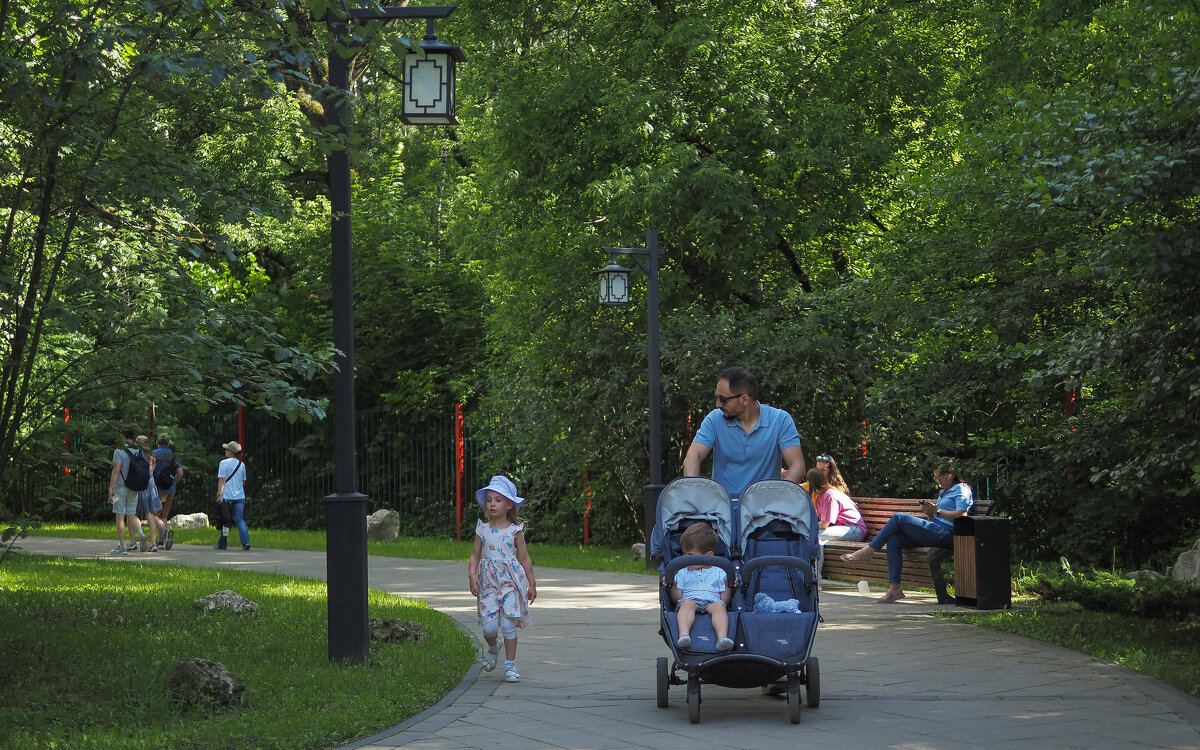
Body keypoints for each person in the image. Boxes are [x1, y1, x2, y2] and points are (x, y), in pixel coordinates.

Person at [839, 459, 974, 603]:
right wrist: (931, 513)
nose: (939, 480)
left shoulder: (961, 488)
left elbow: (961, 516)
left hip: (948, 534)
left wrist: (938, 511)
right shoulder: (944, 492)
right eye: (936, 478)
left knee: (899, 518)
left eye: (941, 476)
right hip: (936, 529)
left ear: (952, 473)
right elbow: (937, 516)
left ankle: (867, 552)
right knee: (895, 539)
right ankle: (894, 588)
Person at [683, 366, 806, 498]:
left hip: (765, 512)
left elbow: (797, 466)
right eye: (717, 397)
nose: (718, 404)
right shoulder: (714, 419)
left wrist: (777, 499)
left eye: (723, 399)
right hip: (723, 509)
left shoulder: (780, 420)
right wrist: (693, 494)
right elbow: (692, 457)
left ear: (745, 399)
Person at [468, 475, 536, 684]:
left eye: (497, 500)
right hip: (488, 583)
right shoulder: (483, 529)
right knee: (489, 628)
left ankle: (510, 666)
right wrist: (472, 575)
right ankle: (492, 647)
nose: (492, 504)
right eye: (489, 500)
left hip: (510, 583)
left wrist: (532, 583)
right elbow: (475, 555)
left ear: (508, 504)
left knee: (507, 625)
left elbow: (523, 557)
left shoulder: (515, 531)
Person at [667, 522, 734, 652]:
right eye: (683, 553)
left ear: (708, 556)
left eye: (690, 555)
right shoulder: (682, 572)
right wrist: (672, 588)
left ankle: (722, 638)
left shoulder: (719, 571)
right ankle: (684, 635)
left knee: (720, 607)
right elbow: (677, 598)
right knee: (686, 604)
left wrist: (728, 586)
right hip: (690, 599)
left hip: (713, 601)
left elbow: (724, 599)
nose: (684, 558)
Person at [107, 425, 148, 554]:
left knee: (120, 516)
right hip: (134, 486)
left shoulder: (119, 451)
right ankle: (141, 533)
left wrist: (110, 488)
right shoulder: (139, 450)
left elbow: (116, 471)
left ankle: (122, 547)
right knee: (131, 514)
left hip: (120, 487)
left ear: (123, 435)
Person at [809, 467, 866, 543]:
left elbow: (824, 524)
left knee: (813, 535)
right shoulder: (819, 496)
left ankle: (815, 555)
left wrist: (806, 527)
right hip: (841, 528)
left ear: (812, 482)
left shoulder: (829, 495)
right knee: (808, 535)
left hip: (854, 529)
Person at [134, 435, 167, 552]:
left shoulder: (142, 454)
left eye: (137, 442)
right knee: (151, 515)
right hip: (151, 486)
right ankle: (156, 540)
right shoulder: (152, 454)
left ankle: (147, 542)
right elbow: (152, 468)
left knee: (139, 513)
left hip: (143, 486)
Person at [215, 440, 249, 551]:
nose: (225, 451)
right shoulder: (241, 465)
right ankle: (245, 542)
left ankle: (222, 544)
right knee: (240, 520)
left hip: (227, 497)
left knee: (226, 521)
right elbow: (243, 482)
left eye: (227, 449)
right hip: (240, 497)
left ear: (231, 452)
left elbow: (222, 480)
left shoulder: (223, 463)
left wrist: (219, 494)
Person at [151, 433, 184, 548]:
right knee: (164, 515)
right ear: (168, 443)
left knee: (153, 515)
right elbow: (180, 472)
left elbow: (149, 471)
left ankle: (164, 532)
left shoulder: (153, 454)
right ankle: (161, 542)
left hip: (157, 489)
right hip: (170, 489)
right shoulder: (174, 455)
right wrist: (174, 482)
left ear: (157, 442)